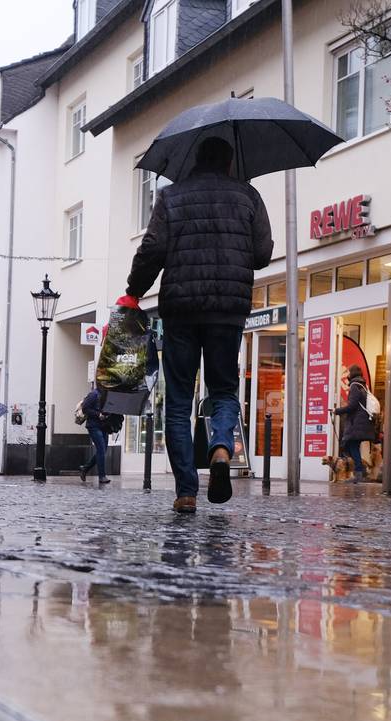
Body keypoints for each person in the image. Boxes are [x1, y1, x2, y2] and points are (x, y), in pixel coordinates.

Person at [119, 136, 273, 513]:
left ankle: (186, 491)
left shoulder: (171, 197)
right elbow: (263, 253)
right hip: (228, 309)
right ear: (229, 162)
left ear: (194, 161)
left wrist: (134, 291)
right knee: (222, 390)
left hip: (181, 311)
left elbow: (153, 248)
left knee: (178, 402)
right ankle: (220, 447)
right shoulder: (247, 195)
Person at [334, 365, 375, 483]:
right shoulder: (363, 385)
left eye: (348, 372)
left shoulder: (354, 386)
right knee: (352, 446)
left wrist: (337, 411)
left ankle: (359, 473)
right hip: (362, 423)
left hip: (356, 423)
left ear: (351, 373)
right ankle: (359, 472)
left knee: (350, 446)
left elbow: (352, 406)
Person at [78, 386, 111, 485]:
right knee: (101, 449)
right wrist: (98, 415)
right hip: (93, 426)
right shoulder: (94, 394)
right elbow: (85, 409)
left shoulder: (107, 395)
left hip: (104, 426)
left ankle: (85, 468)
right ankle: (102, 476)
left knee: (103, 450)